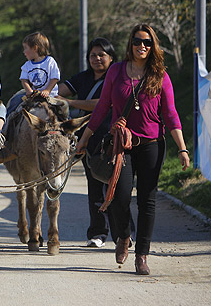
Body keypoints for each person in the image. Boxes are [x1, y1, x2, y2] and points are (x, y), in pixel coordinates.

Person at [76, 24, 189, 276]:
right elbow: (102, 107)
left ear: (153, 46)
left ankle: (142, 255)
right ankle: (124, 236)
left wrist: (182, 149)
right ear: (131, 43)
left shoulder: (160, 76)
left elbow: (170, 115)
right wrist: (84, 139)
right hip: (122, 144)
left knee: (147, 200)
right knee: (118, 195)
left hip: (151, 145)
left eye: (147, 42)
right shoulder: (116, 71)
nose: (142, 46)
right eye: (138, 41)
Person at [58, 37, 118, 248]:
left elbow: (101, 104)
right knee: (94, 188)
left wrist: (71, 102)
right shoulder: (83, 78)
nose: (97, 59)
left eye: (102, 55)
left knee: (116, 186)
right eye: (93, 55)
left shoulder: (116, 78)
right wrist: (46, 90)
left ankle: (123, 233)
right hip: (87, 140)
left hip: (112, 140)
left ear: (111, 57)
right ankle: (98, 233)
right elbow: (60, 91)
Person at [7, 31, 61, 115]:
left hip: (50, 95)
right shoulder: (27, 65)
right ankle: (7, 120)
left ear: (35, 48)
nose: (24, 51)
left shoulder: (50, 61)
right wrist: (29, 91)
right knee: (16, 100)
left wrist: (47, 90)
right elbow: (24, 80)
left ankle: (68, 123)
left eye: (26, 48)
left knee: (63, 108)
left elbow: (55, 78)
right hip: (34, 95)